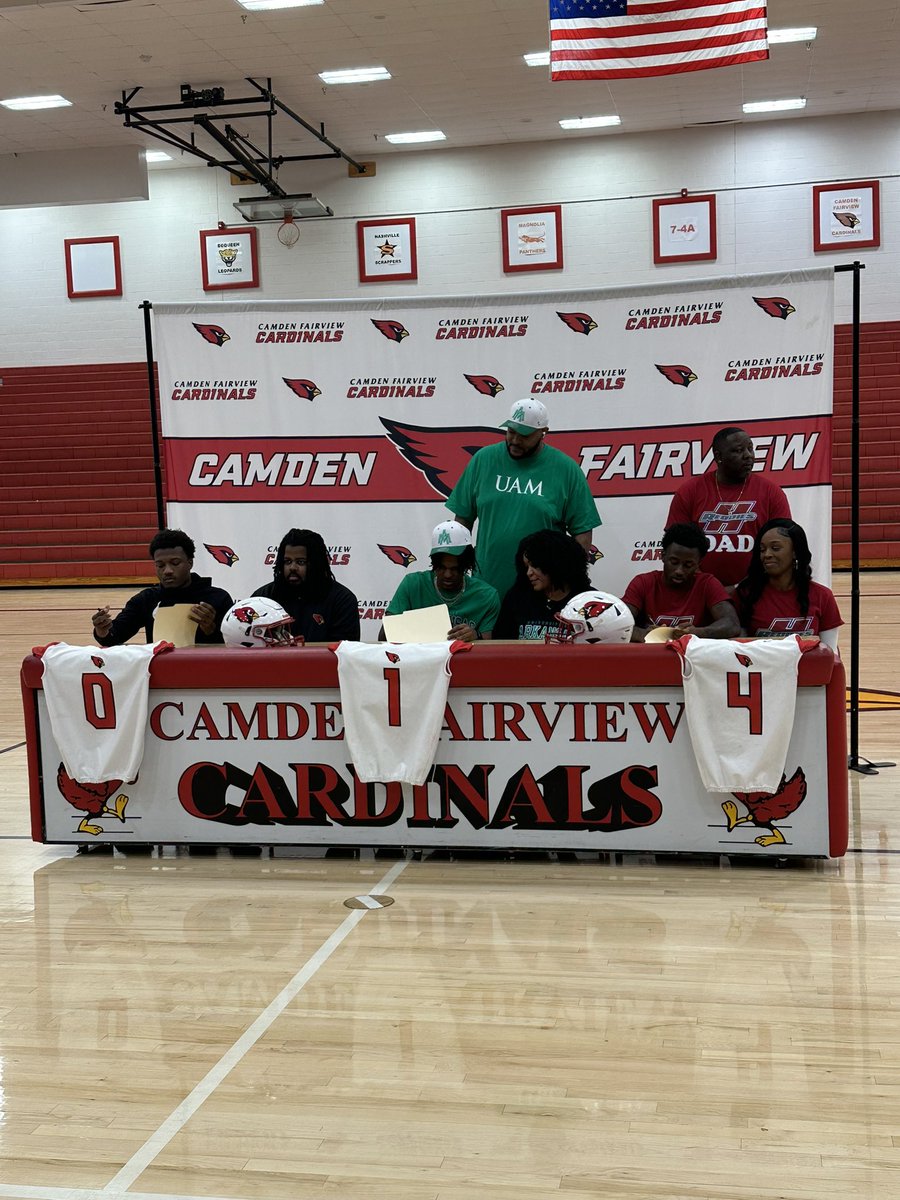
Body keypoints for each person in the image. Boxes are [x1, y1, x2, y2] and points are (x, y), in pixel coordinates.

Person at [446, 397, 601, 598]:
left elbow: (582, 534)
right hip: (487, 586)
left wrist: (569, 581)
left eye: (525, 435)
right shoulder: (483, 460)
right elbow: (462, 520)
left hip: (541, 591)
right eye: (511, 432)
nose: (515, 441)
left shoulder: (567, 470)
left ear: (544, 432)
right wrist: (457, 567)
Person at [665, 426, 791, 588]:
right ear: (719, 456)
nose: (748, 455)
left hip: (756, 588)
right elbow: (675, 547)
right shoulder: (690, 491)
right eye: (738, 450)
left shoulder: (771, 492)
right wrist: (708, 587)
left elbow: (782, 547)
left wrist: (742, 587)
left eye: (750, 449)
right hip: (698, 589)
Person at [92, 529, 233, 646]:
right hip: (161, 673)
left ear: (190, 563)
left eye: (175, 563)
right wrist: (102, 630)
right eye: (160, 565)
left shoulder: (218, 598)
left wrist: (211, 630)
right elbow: (114, 637)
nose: (167, 571)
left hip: (206, 672)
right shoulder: (146, 599)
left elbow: (234, 645)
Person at [381, 521, 499, 643]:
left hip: (463, 661)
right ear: (434, 564)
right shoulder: (413, 584)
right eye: (441, 568)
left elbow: (489, 646)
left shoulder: (487, 596)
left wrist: (476, 636)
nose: (448, 575)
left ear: (466, 566)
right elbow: (383, 637)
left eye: (455, 569)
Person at [622, 522, 740, 642]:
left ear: (698, 563)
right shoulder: (643, 583)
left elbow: (732, 624)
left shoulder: (707, 584)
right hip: (651, 657)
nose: (679, 571)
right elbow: (618, 624)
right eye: (674, 562)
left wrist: (697, 633)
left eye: (688, 565)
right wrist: (647, 635)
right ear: (663, 556)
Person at [736, 518, 843, 650]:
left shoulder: (823, 596)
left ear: (795, 552)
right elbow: (737, 651)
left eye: (775, 548)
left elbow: (830, 654)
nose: (767, 555)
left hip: (809, 670)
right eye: (762, 550)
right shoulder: (745, 594)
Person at [252, 528, 360, 642]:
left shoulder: (342, 600)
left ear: (317, 564)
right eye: (287, 561)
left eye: (300, 562)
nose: (292, 567)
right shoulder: (263, 598)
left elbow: (344, 652)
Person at [493, 530, 592, 641]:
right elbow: (501, 643)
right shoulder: (517, 597)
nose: (529, 573)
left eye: (534, 565)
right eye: (526, 567)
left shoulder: (588, 601)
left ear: (555, 563)